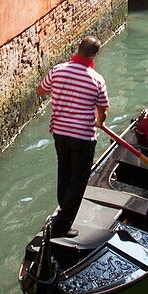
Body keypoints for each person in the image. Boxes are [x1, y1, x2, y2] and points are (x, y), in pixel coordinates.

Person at [37, 35, 109, 238]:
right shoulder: (97, 79)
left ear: (78, 47)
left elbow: (41, 90)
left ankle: (62, 212)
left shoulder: (58, 71)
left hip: (60, 132)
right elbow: (102, 110)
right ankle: (62, 225)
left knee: (65, 171)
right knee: (78, 178)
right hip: (83, 136)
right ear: (95, 54)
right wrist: (100, 121)